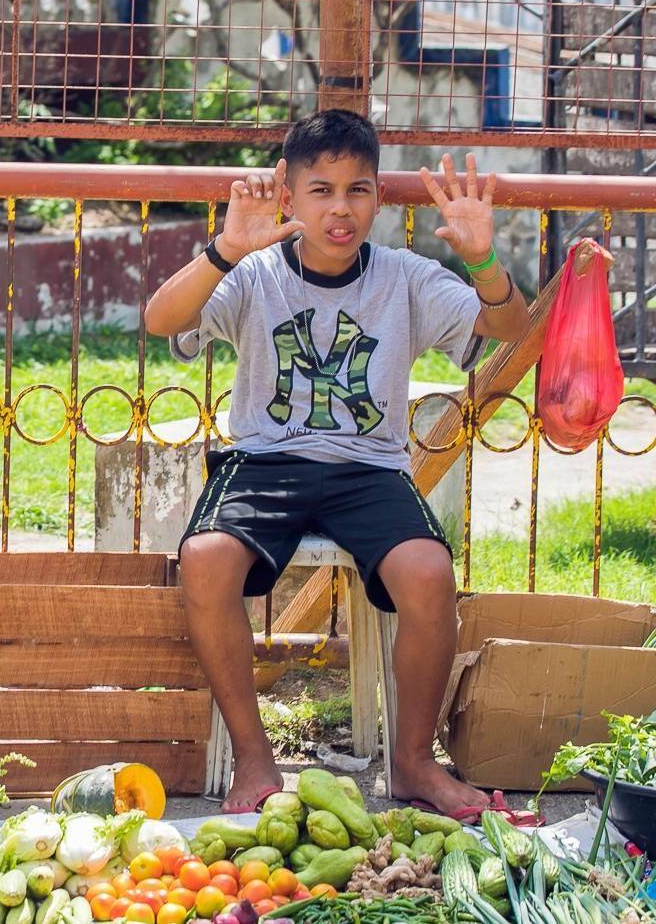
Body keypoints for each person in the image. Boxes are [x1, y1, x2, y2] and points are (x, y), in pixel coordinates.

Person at [143, 110, 531, 814]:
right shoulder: (255, 273)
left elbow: (509, 327)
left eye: (358, 190)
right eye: (320, 191)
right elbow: (160, 320)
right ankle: (255, 761)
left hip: (369, 469)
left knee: (428, 571)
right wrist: (225, 249)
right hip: (264, 460)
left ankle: (413, 764)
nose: (340, 209)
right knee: (204, 559)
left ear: (378, 198)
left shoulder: (404, 278)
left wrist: (481, 257)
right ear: (287, 196)